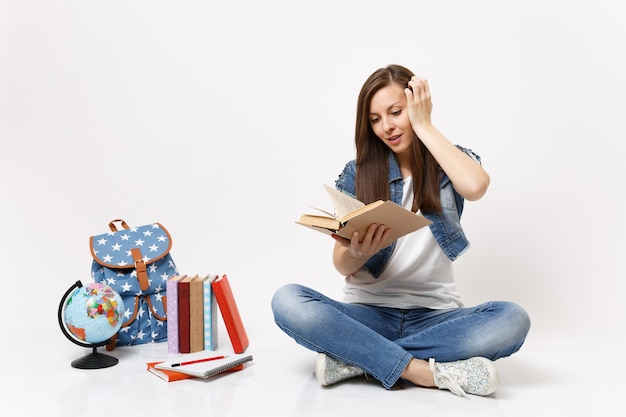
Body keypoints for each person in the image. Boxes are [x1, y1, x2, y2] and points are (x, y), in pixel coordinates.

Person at [271, 64, 530, 397]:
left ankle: (357, 358)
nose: (387, 127)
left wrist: (424, 125)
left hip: (436, 318)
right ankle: (422, 371)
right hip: (367, 315)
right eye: (375, 119)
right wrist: (355, 253)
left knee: (512, 319)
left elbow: (476, 186)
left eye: (396, 112)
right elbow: (341, 264)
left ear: (415, 106)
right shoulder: (358, 173)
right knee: (288, 300)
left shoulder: (447, 162)